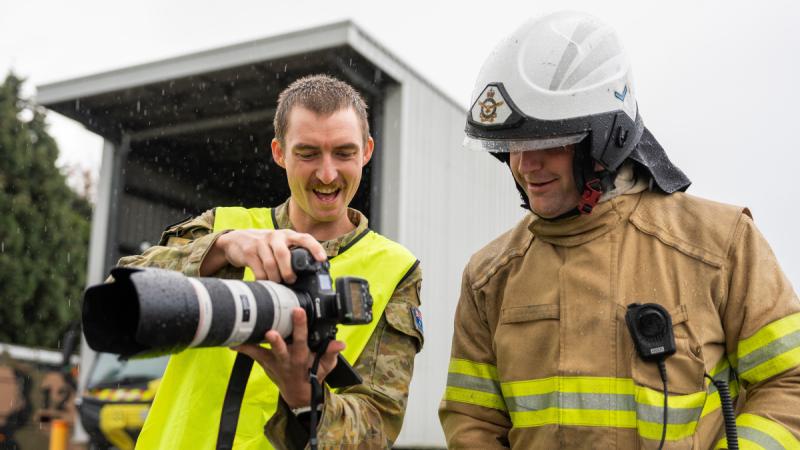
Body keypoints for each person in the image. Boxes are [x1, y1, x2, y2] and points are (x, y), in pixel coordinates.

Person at [440, 11, 800, 449]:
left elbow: (789, 386)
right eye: (513, 145)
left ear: (605, 140)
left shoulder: (721, 244)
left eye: (545, 143)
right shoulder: (488, 276)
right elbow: (471, 420)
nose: (523, 165)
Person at [118, 74, 423, 449]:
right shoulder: (225, 227)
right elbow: (120, 298)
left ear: (367, 151)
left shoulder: (395, 270)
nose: (327, 175)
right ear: (279, 152)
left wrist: (304, 400)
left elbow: (374, 429)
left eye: (344, 153)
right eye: (308, 153)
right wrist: (220, 249)